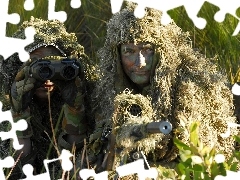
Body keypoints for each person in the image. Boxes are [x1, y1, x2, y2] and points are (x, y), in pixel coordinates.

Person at [87, 3, 238, 178]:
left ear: (163, 52)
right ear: (117, 55)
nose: (140, 62)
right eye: (129, 51)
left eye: (147, 50)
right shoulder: (107, 90)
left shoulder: (191, 90)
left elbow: (199, 163)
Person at [2, 17, 93, 178]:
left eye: (55, 64)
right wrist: (18, 112)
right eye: (38, 65)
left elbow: (75, 170)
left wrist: (75, 110)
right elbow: (14, 173)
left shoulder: (89, 102)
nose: (47, 78)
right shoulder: (3, 110)